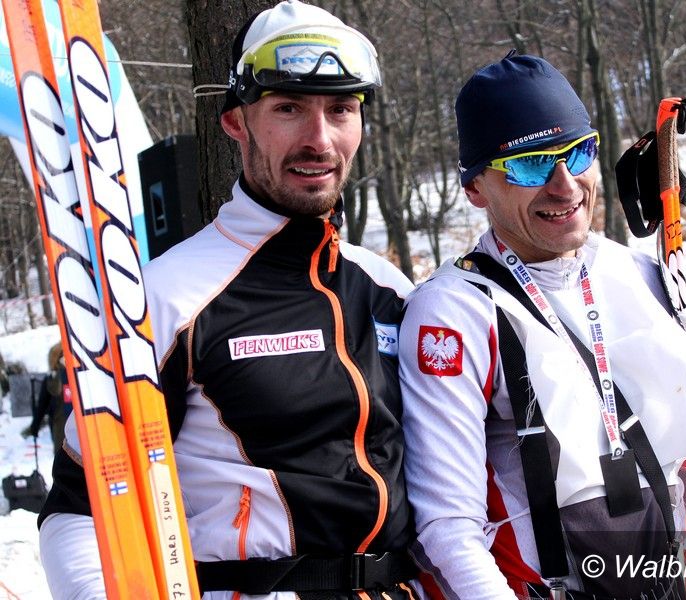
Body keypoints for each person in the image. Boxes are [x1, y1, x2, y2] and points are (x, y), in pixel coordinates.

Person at [399, 53, 686, 600]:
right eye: (530, 165)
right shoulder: (453, 312)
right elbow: (448, 530)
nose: (565, 186)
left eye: (578, 152)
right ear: (475, 187)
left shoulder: (637, 272)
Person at [38, 2, 419, 599]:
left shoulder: (389, 289)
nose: (319, 139)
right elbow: (76, 509)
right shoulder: (163, 299)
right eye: (289, 109)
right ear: (237, 122)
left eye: (340, 109)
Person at [22, 343, 72, 453]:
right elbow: (43, 404)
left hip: (66, 427)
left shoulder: (54, 377)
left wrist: (35, 425)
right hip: (66, 427)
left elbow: (42, 405)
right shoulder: (56, 378)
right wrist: (35, 425)